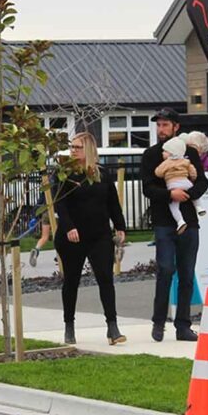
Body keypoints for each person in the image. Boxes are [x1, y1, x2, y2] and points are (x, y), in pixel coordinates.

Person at [53, 132, 127, 346]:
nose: (73, 150)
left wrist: (120, 227)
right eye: (72, 147)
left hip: (99, 235)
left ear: (88, 149)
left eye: (77, 147)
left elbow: (112, 203)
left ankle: (112, 327)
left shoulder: (102, 174)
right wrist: (69, 227)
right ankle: (69, 325)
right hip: (72, 237)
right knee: (72, 281)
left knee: (105, 278)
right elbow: (61, 205)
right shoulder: (64, 174)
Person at [142, 108, 208, 343]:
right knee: (166, 269)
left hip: (189, 222)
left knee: (187, 274)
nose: (161, 130)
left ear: (176, 127)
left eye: (165, 125)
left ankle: (183, 325)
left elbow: (202, 181)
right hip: (164, 222)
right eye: (158, 125)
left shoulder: (190, 153)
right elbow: (148, 188)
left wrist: (188, 194)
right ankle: (159, 322)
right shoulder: (151, 155)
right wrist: (171, 194)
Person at [155, 137, 205, 235]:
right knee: (194, 196)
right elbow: (193, 172)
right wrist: (192, 178)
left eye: (165, 151)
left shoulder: (166, 163)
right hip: (186, 182)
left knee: (174, 206)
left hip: (173, 185)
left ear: (171, 152)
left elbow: (158, 173)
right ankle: (199, 207)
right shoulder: (185, 161)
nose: (162, 153)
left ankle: (180, 221)